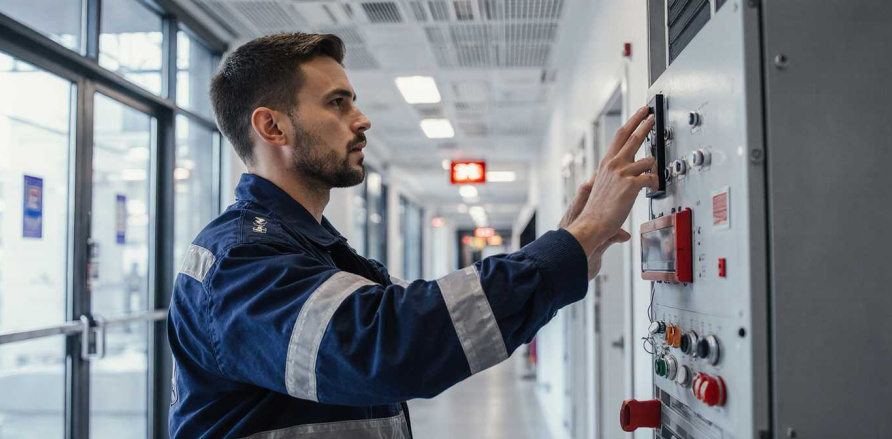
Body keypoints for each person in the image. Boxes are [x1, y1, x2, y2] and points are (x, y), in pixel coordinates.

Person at [167, 32, 657, 438]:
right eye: (337, 103)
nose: (361, 120)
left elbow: (421, 320)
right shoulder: (238, 258)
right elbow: (387, 344)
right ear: (272, 127)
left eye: (353, 101)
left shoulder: (317, 251)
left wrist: (571, 248)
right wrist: (571, 245)